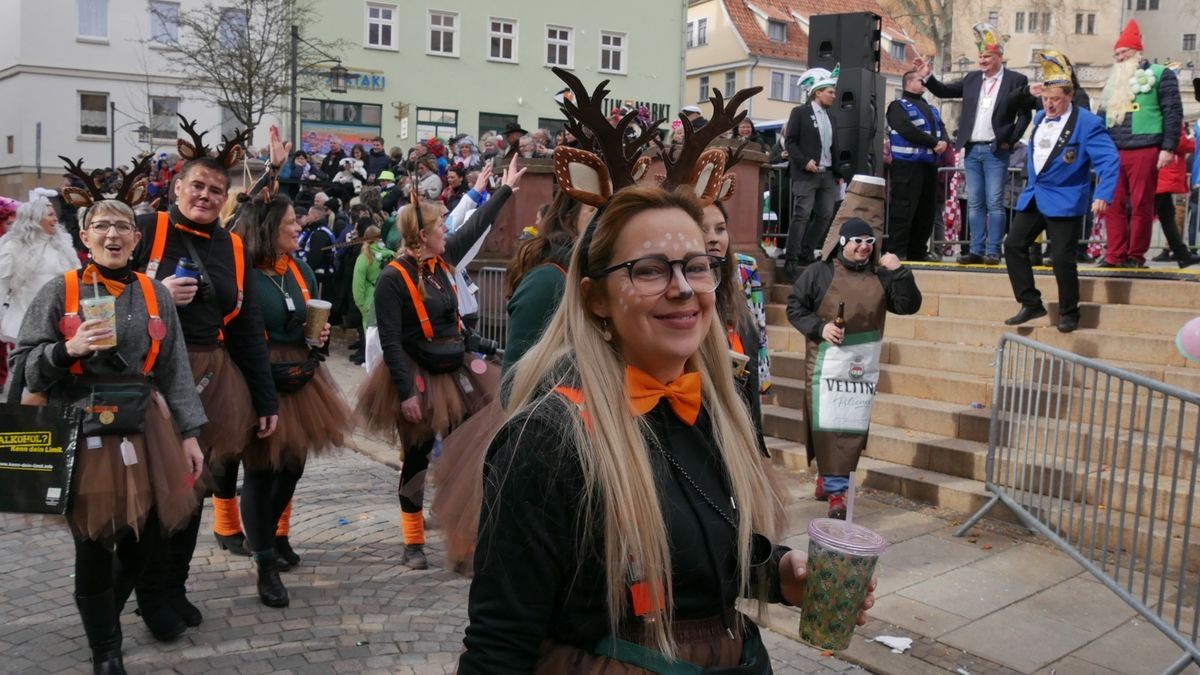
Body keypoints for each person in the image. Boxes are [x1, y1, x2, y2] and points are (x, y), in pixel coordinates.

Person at [460, 185, 874, 672]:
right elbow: (498, 645)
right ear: (595, 298)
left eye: (696, 267)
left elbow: (698, 559)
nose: (682, 288)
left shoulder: (711, 412)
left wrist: (779, 573)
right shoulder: (546, 441)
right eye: (650, 270)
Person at [12, 198, 206, 675]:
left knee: (143, 541)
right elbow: (22, 367)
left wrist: (189, 433)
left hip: (145, 429)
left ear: (137, 239)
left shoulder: (153, 293)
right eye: (102, 226)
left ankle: (107, 618)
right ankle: (106, 649)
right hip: (83, 427)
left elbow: (175, 367)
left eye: (123, 226)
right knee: (95, 542)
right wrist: (66, 349)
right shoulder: (61, 290)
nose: (113, 235)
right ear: (85, 236)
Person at [129, 122, 283, 641]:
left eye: (217, 190)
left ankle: (175, 585)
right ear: (177, 187)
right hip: (149, 376)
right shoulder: (144, 229)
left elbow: (245, 330)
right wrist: (152, 294)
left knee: (196, 488)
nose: (206, 196)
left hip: (212, 378)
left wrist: (264, 399)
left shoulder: (233, 248)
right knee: (154, 490)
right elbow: (95, 297)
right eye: (197, 186)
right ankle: (150, 593)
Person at [356, 161, 523, 570]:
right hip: (415, 374)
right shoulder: (392, 279)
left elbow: (474, 225)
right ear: (421, 236)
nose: (447, 231)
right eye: (440, 226)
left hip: (456, 369)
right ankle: (412, 541)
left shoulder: (443, 263)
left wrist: (504, 191)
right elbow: (392, 341)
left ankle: (464, 535)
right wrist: (407, 392)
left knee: (467, 452)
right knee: (415, 457)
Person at [241, 191, 354, 607]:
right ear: (270, 227)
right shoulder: (246, 273)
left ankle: (266, 538)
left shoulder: (300, 267)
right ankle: (265, 563)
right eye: (291, 221)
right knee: (261, 469)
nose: (299, 225)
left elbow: (311, 318)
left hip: (302, 374)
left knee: (292, 465)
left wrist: (319, 335)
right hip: (260, 375)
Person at [787, 210, 922, 519]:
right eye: (857, 241)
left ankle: (832, 483)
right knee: (827, 424)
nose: (863, 247)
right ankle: (836, 489)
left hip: (861, 366)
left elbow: (908, 305)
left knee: (850, 424)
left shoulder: (881, 275)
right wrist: (819, 328)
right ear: (843, 242)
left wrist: (900, 272)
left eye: (869, 241)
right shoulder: (819, 272)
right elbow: (795, 305)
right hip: (825, 363)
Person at [1003, 52, 1120, 333]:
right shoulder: (1041, 117)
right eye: (1045, 99)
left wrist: (1103, 193)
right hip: (1034, 195)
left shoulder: (1087, 122)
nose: (1049, 104)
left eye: (1055, 99)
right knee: (1013, 245)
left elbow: (1109, 159)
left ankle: (1070, 312)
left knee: (1062, 260)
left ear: (1069, 96)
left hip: (1066, 198)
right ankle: (1030, 302)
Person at [915, 23, 1031, 265]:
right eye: (980, 56)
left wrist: (1010, 140)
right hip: (971, 147)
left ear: (999, 56)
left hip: (995, 149)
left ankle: (993, 250)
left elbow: (1025, 114)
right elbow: (945, 91)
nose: (982, 60)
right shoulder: (971, 79)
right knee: (975, 201)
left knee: (995, 202)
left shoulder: (1015, 80)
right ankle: (976, 249)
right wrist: (927, 77)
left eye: (987, 56)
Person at [1096, 20, 1184, 268]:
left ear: (1137, 52)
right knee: (1111, 203)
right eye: (1117, 54)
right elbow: (1101, 117)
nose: (1120, 58)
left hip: (1145, 147)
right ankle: (1114, 254)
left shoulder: (1159, 74)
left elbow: (1172, 112)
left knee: (1141, 204)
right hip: (1113, 150)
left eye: (1124, 52)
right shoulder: (1113, 81)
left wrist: (1168, 147)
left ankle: (1135, 254)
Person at [499, 189, 593, 375]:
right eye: (593, 210)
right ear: (569, 220)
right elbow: (513, 380)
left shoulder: (602, 273)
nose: (605, 218)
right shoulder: (547, 280)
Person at [703, 200, 770, 455]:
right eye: (703, 229)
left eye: (720, 229)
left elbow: (757, 333)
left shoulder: (736, 286)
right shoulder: (684, 296)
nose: (713, 239)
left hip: (742, 423)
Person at [784, 66, 843, 278]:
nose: (834, 96)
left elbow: (832, 147)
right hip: (806, 173)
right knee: (801, 215)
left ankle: (806, 251)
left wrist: (837, 173)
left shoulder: (832, 118)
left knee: (826, 214)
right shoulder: (800, 113)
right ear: (817, 92)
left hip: (826, 174)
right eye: (830, 92)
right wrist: (803, 161)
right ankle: (791, 258)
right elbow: (789, 142)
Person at [886, 70, 950, 261]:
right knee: (903, 210)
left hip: (929, 166)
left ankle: (918, 251)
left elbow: (943, 128)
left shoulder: (931, 108)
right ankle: (897, 251)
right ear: (908, 82)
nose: (925, 84)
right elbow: (906, 129)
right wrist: (933, 143)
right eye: (921, 81)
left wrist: (944, 142)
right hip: (906, 167)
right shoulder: (897, 106)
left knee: (926, 211)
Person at [0, 197, 80, 346]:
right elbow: (2, 286)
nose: (55, 219)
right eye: (50, 215)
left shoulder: (63, 246)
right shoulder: (12, 247)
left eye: (55, 214)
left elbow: (77, 278)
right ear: (34, 219)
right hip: (26, 317)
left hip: (60, 318)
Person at [1149, 125, 1199, 267]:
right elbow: (1180, 142)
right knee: (1151, 215)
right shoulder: (1173, 119)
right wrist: (1194, 142)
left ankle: (1182, 254)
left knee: (1167, 216)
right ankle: (1126, 251)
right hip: (1166, 174)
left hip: (1164, 174)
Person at [352, 225, 390, 372]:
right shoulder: (390, 254)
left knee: (372, 343)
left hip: (370, 303)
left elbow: (358, 285)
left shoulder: (364, 258)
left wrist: (361, 305)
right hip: (389, 300)